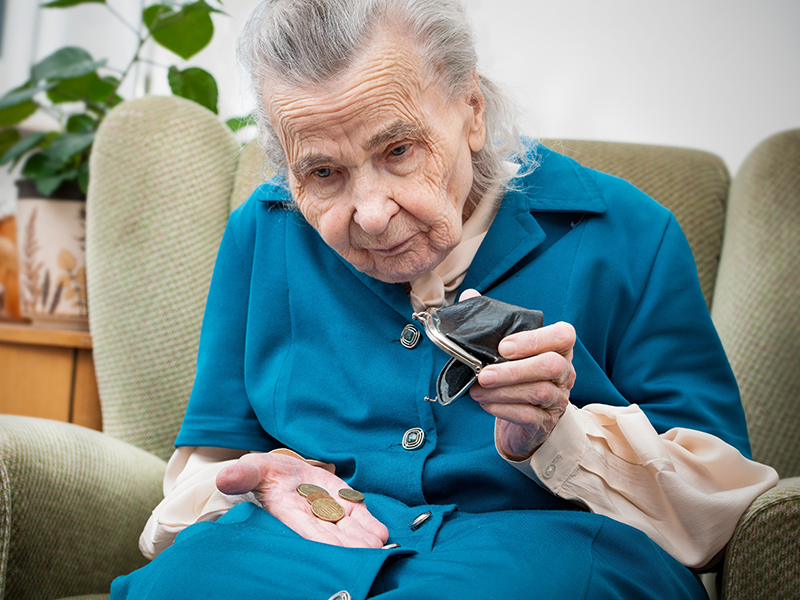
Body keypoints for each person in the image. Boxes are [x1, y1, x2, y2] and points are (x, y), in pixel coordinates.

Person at [111, 0, 778, 598]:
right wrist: (274, 474)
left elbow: (719, 512)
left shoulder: (630, 232)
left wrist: (562, 436)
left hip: (538, 559)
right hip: (288, 554)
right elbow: (208, 471)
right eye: (323, 171)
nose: (370, 214)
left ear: (472, 110)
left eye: (398, 149)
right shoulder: (262, 231)